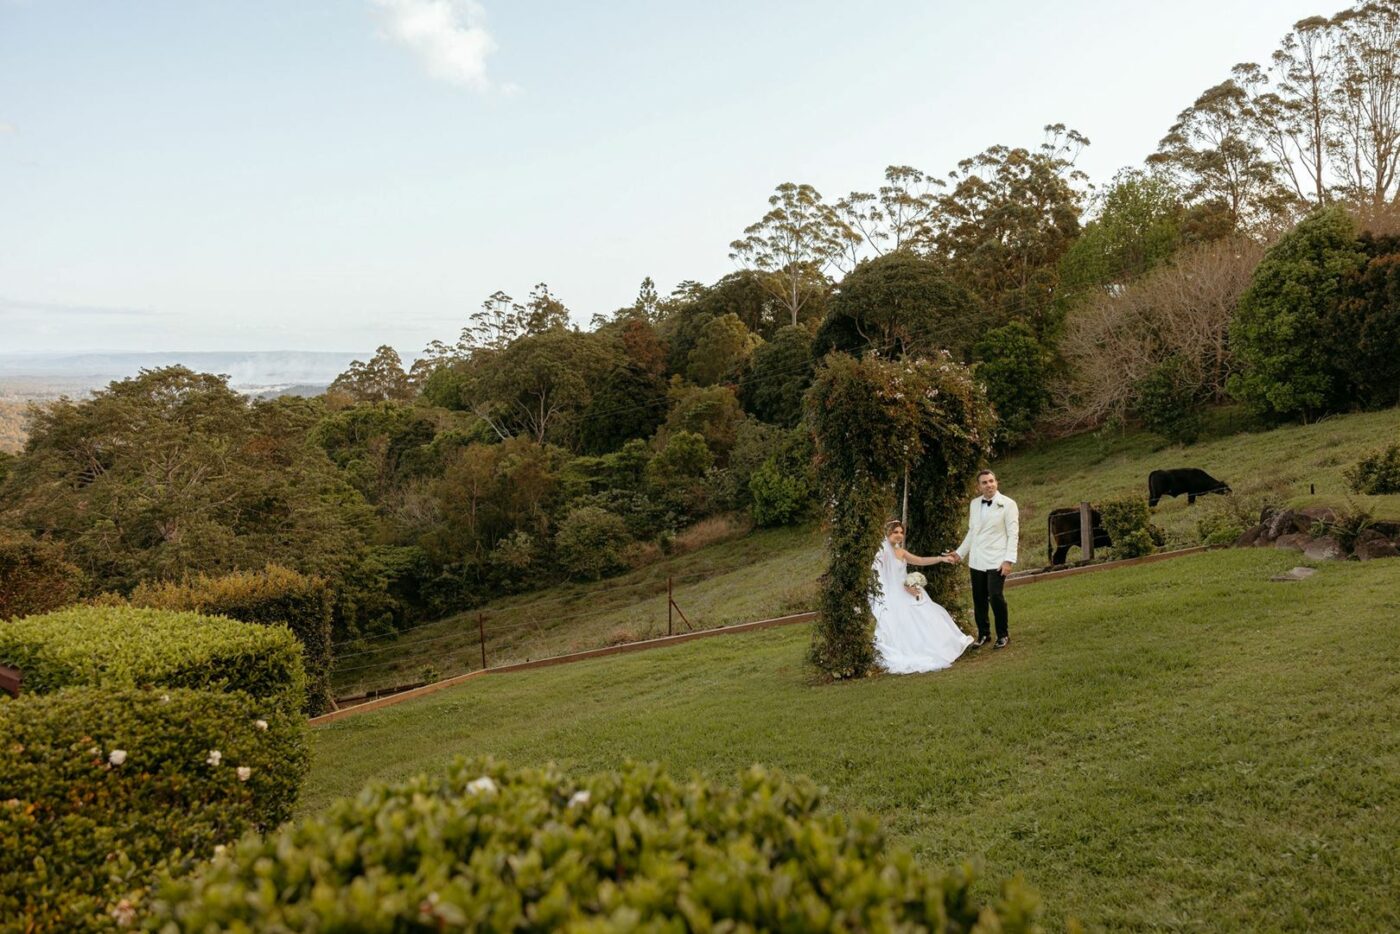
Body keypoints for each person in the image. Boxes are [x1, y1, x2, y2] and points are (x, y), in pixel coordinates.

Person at [870, 519, 973, 674]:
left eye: (901, 532)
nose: (899, 535)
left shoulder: (901, 552)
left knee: (932, 613)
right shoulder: (881, 553)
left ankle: (944, 647)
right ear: (888, 534)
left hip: (910, 590)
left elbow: (920, 560)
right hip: (895, 595)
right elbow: (880, 578)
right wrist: (903, 586)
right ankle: (919, 651)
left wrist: (941, 558)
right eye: (895, 532)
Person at [949, 469, 1019, 649]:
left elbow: (1013, 534)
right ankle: (983, 634)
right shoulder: (974, 504)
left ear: (997, 482)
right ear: (978, 486)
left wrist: (1008, 560)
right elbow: (972, 532)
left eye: (991, 481)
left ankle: (1003, 634)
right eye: (984, 482)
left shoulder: (1008, 504)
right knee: (978, 598)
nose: (989, 485)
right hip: (977, 560)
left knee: (995, 596)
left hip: (997, 559)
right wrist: (959, 553)